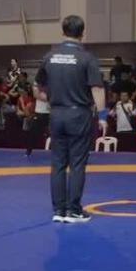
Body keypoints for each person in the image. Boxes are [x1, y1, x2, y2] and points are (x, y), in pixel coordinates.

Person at [36, 15, 106, 223]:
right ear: (83, 34)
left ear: (62, 32)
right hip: (78, 114)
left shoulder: (49, 56)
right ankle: (73, 210)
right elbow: (97, 88)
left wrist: (51, 99)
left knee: (58, 163)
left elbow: (37, 88)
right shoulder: (87, 58)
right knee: (77, 164)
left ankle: (59, 210)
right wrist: (102, 116)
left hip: (57, 113)